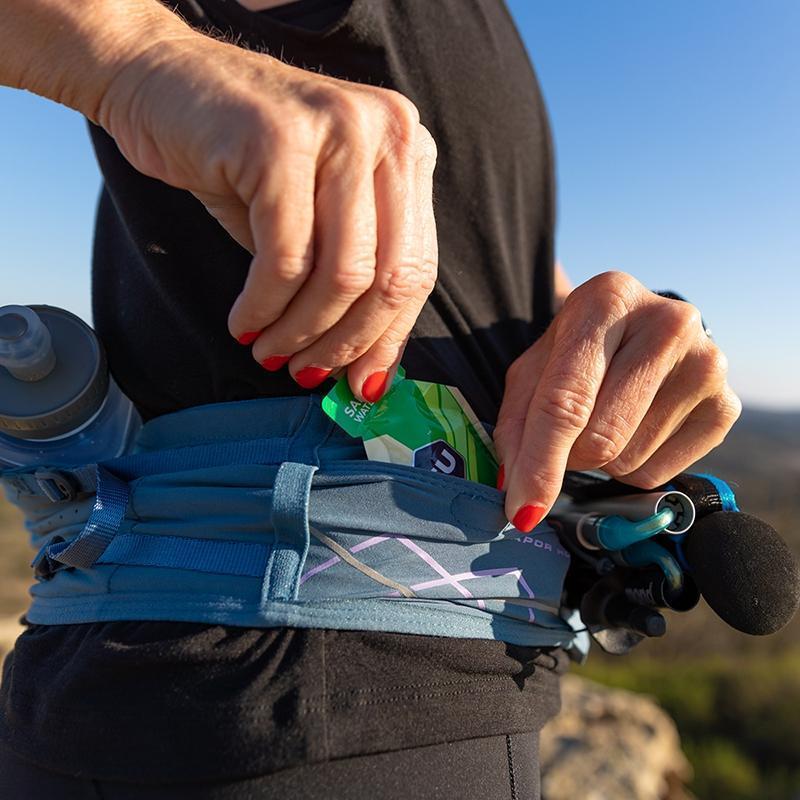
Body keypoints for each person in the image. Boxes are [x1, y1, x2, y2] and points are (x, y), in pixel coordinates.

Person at [0, 1, 741, 797]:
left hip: (466, 668)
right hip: (264, 677)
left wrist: (610, 333)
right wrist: (132, 52)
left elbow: (471, 261)